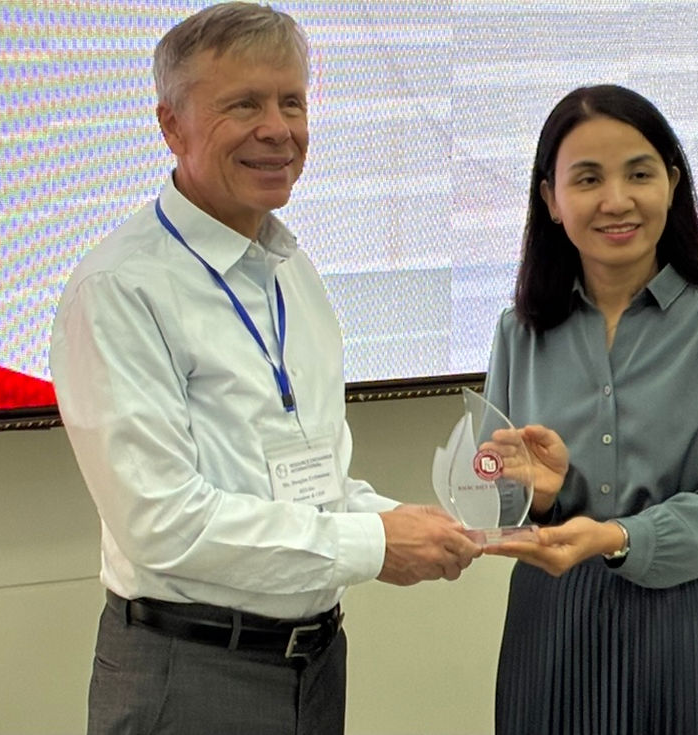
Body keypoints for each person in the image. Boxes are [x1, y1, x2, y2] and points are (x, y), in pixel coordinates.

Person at [49, 4, 480, 734]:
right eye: (244, 104)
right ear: (171, 126)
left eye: (292, 102)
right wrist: (376, 543)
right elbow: (164, 523)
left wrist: (412, 524)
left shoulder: (291, 270)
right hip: (190, 671)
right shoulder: (119, 288)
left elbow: (311, 486)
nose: (278, 129)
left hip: (315, 665)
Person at [479, 85, 698, 734]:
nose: (616, 200)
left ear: (672, 183)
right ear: (551, 200)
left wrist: (620, 538)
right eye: (588, 178)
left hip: (689, 622)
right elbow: (492, 501)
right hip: (553, 621)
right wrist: (536, 497)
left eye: (639, 174)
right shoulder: (519, 330)